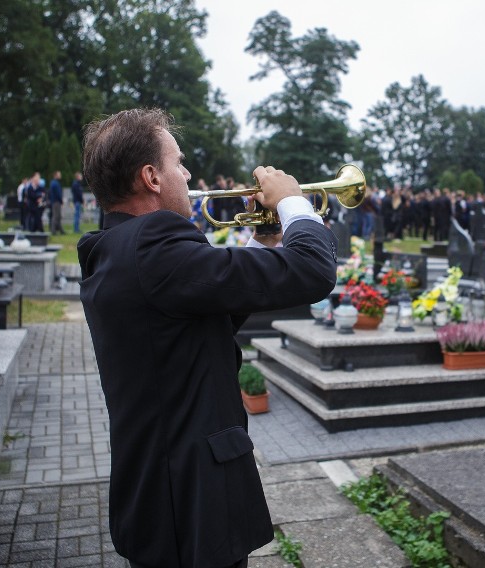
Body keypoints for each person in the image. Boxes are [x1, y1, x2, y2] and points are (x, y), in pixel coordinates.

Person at [77, 108, 337, 568]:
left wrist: (265, 235)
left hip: (162, 489)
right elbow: (314, 272)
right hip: (190, 500)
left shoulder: (119, 247)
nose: (188, 173)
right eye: (178, 162)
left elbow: (198, 318)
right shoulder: (154, 243)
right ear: (151, 176)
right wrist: (293, 202)